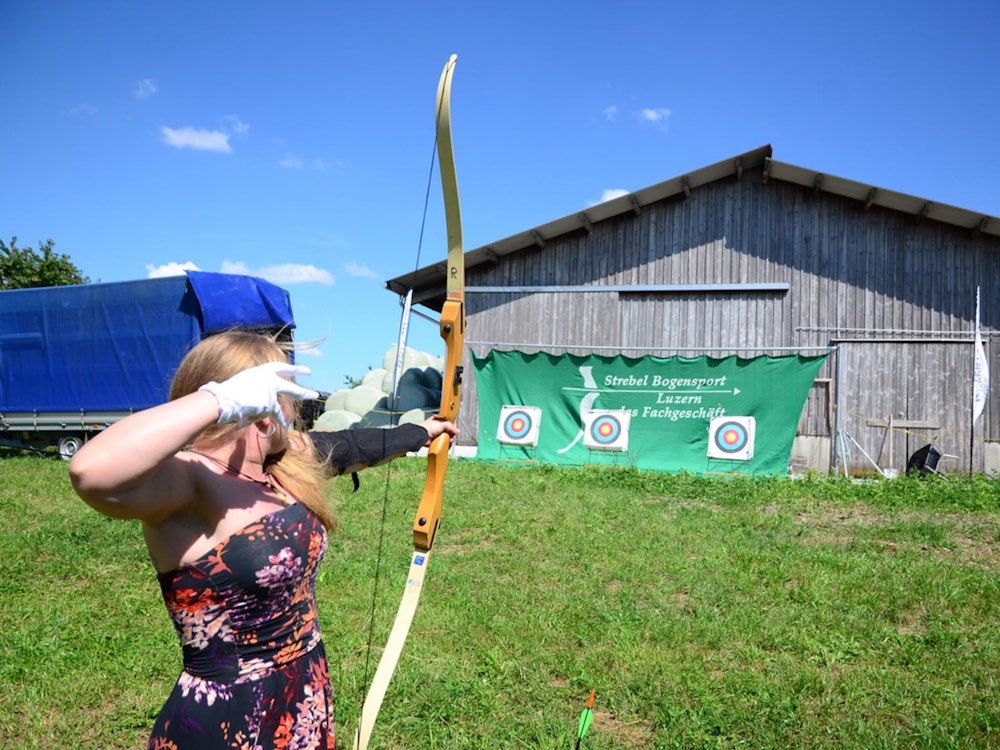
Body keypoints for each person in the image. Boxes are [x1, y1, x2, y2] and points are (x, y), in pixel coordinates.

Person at [69, 330, 458, 750]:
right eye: (280, 393)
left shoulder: (279, 462)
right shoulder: (188, 478)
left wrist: (421, 431)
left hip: (302, 690)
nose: (293, 407)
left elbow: (347, 446)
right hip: (232, 714)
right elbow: (91, 473)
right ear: (256, 404)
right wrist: (219, 402)